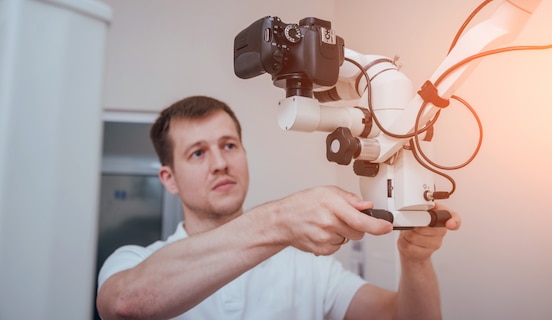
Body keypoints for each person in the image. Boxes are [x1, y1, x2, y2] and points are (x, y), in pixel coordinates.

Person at [96, 95, 461, 320]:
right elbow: (126, 303)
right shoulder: (133, 261)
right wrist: (281, 219)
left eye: (229, 145)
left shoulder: (309, 269)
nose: (220, 163)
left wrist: (415, 261)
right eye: (197, 153)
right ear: (169, 178)